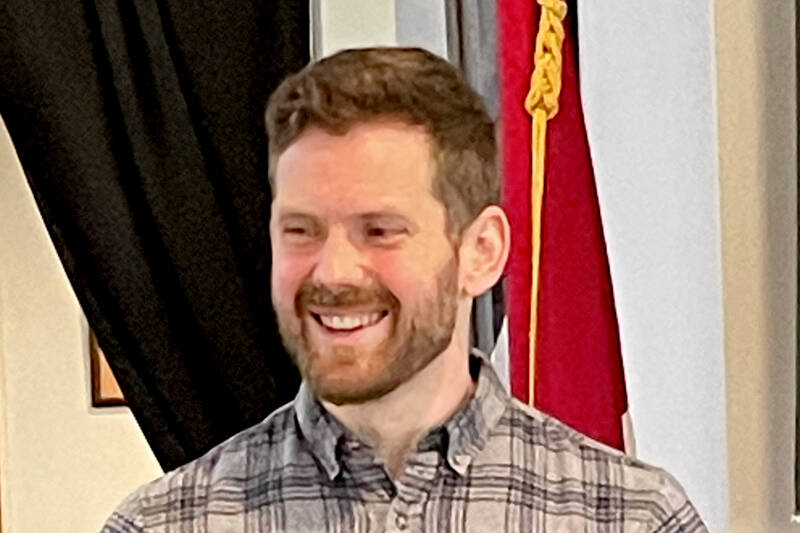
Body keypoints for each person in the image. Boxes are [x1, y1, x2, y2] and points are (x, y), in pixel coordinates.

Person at [101, 47, 707, 532]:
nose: (333, 272)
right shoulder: (168, 524)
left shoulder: (627, 518)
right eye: (301, 231)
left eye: (380, 231)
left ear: (481, 251)